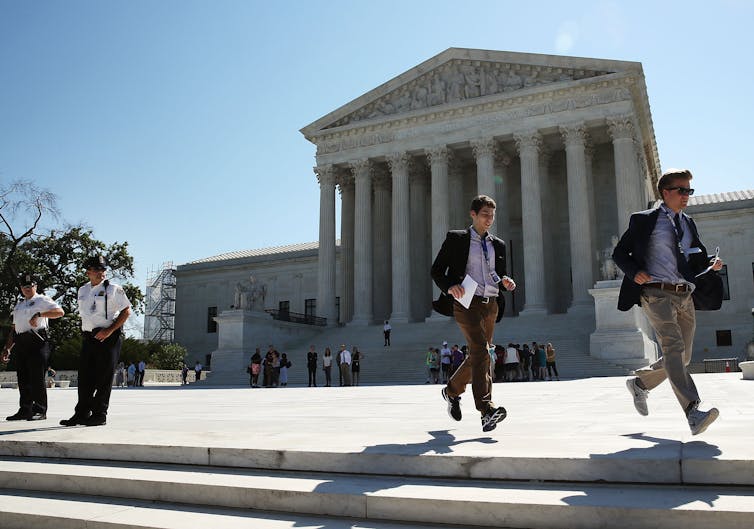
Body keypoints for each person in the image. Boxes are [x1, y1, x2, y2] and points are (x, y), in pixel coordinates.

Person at [613, 168, 724, 436]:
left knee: (682, 356)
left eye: (689, 191)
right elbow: (620, 253)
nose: (686, 196)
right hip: (655, 291)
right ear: (666, 192)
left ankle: (641, 383)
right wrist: (633, 271)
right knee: (673, 347)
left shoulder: (688, 223)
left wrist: (711, 264)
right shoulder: (644, 220)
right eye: (681, 190)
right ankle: (692, 410)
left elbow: (695, 257)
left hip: (684, 293)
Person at [432, 194, 516, 432]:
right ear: (473, 214)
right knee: (480, 351)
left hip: (491, 303)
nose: (489, 219)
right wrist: (450, 286)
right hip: (465, 301)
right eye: (484, 215)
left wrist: (506, 282)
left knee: (482, 354)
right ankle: (486, 410)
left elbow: (498, 275)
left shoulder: (498, 244)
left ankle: (451, 391)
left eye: (492, 215)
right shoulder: (457, 239)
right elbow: (437, 270)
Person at [60, 255, 131, 427]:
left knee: (104, 377)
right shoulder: (82, 290)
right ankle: (81, 413)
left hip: (108, 338)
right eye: (97, 270)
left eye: (103, 269)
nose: (101, 272)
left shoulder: (114, 289)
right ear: (88, 272)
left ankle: (99, 414)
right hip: (88, 338)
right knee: (85, 378)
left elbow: (126, 311)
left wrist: (109, 330)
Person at [3, 272, 64, 421]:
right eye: (24, 286)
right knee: (23, 378)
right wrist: (7, 348)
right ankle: (25, 409)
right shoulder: (19, 305)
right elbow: (14, 328)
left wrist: (39, 314)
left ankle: (40, 410)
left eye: (30, 286)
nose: (27, 289)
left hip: (37, 341)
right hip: (21, 342)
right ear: (21, 289)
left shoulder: (42, 300)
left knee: (36, 377)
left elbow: (60, 312)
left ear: (35, 286)